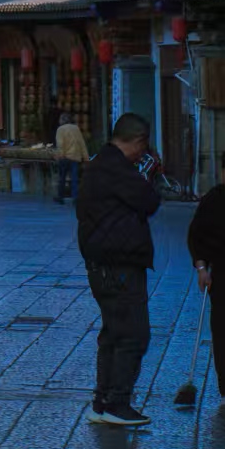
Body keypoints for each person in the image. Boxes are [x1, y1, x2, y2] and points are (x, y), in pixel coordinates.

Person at [76, 111, 159, 428]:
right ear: (138, 141)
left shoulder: (98, 164)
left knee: (113, 333)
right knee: (133, 334)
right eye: (143, 147)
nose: (143, 154)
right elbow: (149, 201)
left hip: (103, 264)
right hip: (119, 264)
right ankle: (117, 403)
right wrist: (147, 173)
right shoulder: (118, 168)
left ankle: (102, 402)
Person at [188, 151, 225, 400]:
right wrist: (201, 268)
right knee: (223, 331)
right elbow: (196, 236)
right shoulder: (213, 200)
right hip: (223, 275)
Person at [55, 110, 90, 206]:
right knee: (74, 179)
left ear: (62, 120)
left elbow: (60, 144)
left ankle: (60, 196)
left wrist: (60, 155)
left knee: (62, 178)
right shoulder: (76, 128)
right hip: (75, 157)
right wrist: (86, 158)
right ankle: (75, 197)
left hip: (65, 157)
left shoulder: (60, 129)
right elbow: (81, 143)